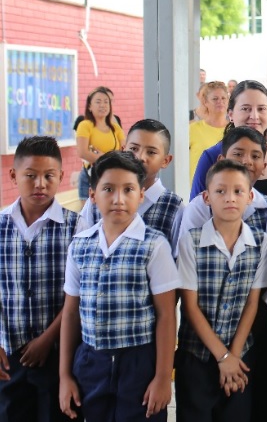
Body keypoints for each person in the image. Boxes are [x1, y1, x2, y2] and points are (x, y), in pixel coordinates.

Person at [59, 151, 180, 421]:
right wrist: (65, 375)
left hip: (139, 363)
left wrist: (163, 377)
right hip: (91, 362)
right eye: (108, 189)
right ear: (92, 195)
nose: (118, 199)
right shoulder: (80, 245)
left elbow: (166, 314)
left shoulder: (154, 245)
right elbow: (70, 312)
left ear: (141, 195)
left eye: (128, 190)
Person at [175, 160, 267, 422]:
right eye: (220, 191)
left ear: (250, 197)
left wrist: (233, 356)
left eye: (238, 191)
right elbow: (190, 306)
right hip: (196, 356)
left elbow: (253, 304)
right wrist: (223, 356)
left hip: (240, 356)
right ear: (206, 197)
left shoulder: (262, 243)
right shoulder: (191, 241)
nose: (230, 198)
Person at [0, 137, 76, 422]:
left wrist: (47, 338)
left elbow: (77, 294)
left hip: (58, 354)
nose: (40, 184)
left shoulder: (76, 227)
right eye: (30, 176)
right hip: (8, 356)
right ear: (13, 176)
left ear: (61, 176)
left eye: (49, 176)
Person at [77, 119, 184, 254]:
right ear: (123, 150)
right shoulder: (99, 197)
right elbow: (80, 246)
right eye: (134, 149)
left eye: (151, 152)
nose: (140, 157)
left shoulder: (174, 208)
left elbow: (178, 259)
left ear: (165, 160)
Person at [191, 80, 267, 200]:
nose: (254, 116)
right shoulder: (211, 157)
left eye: (261, 109)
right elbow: (197, 206)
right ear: (231, 114)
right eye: (245, 109)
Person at [182, 127, 267, 237]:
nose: (247, 161)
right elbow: (186, 246)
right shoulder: (200, 207)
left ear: (264, 167)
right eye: (238, 154)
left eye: (255, 156)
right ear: (221, 160)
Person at [75, 86, 125, 204]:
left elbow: (125, 151)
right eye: (98, 102)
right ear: (89, 106)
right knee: (89, 214)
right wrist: (109, 158)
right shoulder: (85, 125)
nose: (103, 105)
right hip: (90, 177)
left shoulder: (115, 128)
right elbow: (82, 152)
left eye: (106, 102)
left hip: (112, 176)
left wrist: (104, 158)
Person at [191, 81, 230, 178]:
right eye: (215, 99)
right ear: (205, 102)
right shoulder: (192, 129)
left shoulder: (234, 130)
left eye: (223, 98)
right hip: (198, 185)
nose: (220, 101)